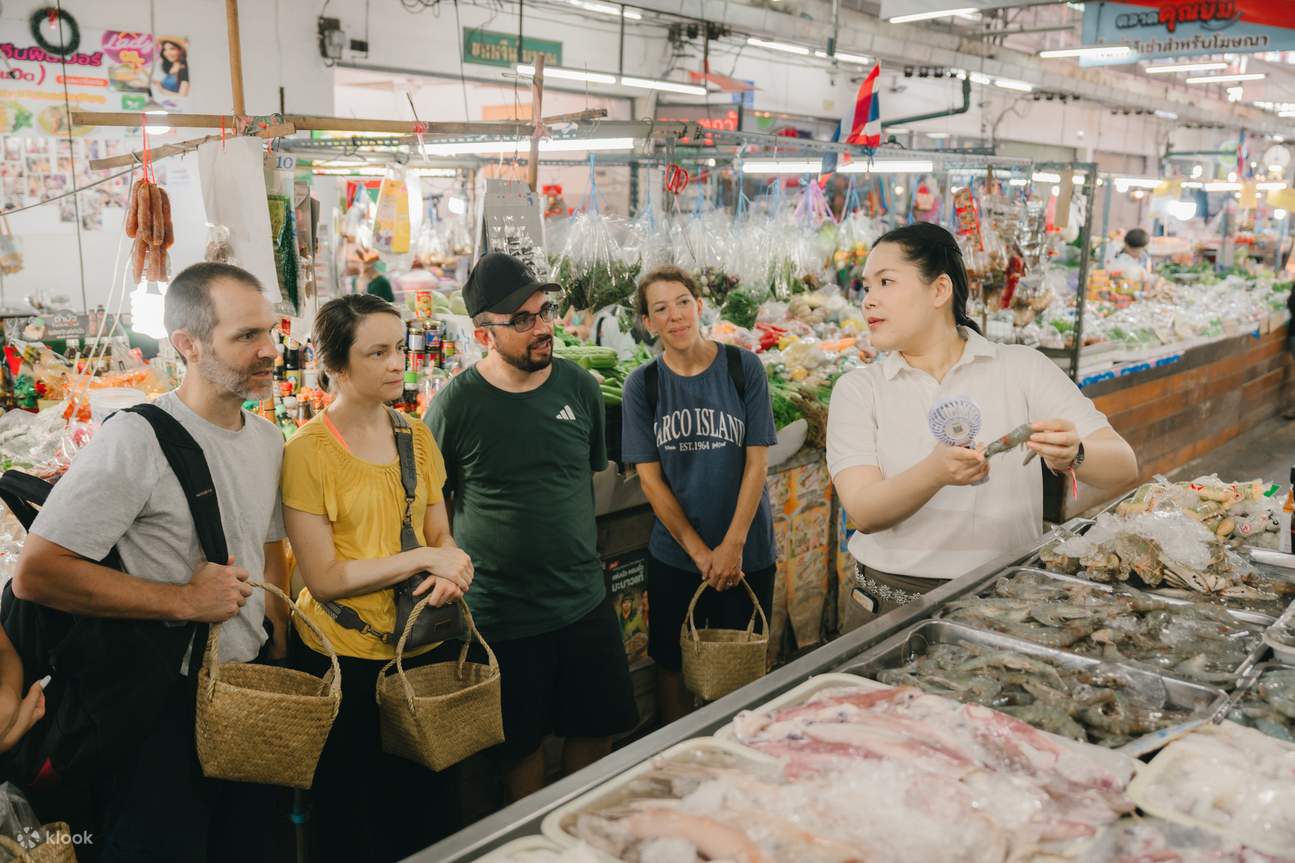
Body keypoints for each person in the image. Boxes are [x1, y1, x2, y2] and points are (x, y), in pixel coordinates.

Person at [13, 262, 291, 862]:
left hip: (243, 693)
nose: (270, 350)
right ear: (188, 345)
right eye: (247, 336)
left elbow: (268, 545)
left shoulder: (268, 440)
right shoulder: (135, 440)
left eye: (270, 332)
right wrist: (184, 601)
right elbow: (38, 572)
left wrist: (278, 639)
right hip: (160, 707)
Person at [828, 223, 1138, 621]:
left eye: (886, 282)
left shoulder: (1021, 368)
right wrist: (935, 472)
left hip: (1008, 600)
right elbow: (864, 512)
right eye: (866, 287)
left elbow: (1124, 466)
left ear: (940, 290)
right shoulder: (858, 389)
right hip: (887, 605)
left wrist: (1075, 454)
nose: (869, 300)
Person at [424, 252, 637, 803]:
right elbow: (431, 505)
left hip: (583, 600)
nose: (542, 328)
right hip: (503, 615)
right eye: (521, 319)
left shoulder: (579, 388)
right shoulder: (455, 407)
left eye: (544, 312)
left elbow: (587, 476)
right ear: (483, 333)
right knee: (518, 750)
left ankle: (579, 826)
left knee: (597, 727)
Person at [281, 294, 474, 863]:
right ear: (337, 365)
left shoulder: (416, 434)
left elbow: (440, 534)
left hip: (422, 649)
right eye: (378, 352)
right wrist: (425, 563)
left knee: (432, 812)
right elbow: (325, 577)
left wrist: (450, 569)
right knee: (355, 821)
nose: (398, 363)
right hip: (345, 663)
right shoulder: (307, 453)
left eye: (399, 348)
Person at [620, 266, 778, 723]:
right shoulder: (643, 386)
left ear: (699, 305)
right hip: (676, 556)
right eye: (661, 309)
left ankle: (734, 759)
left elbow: (757, 463)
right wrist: (699, 552)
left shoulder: (742, 368)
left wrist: (731, 546)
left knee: (742, 663)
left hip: (747, 551)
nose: (675, 316)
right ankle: (679, 759)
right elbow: (651, 481)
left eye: (683, 302)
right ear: (648, 323)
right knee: (672, 665)